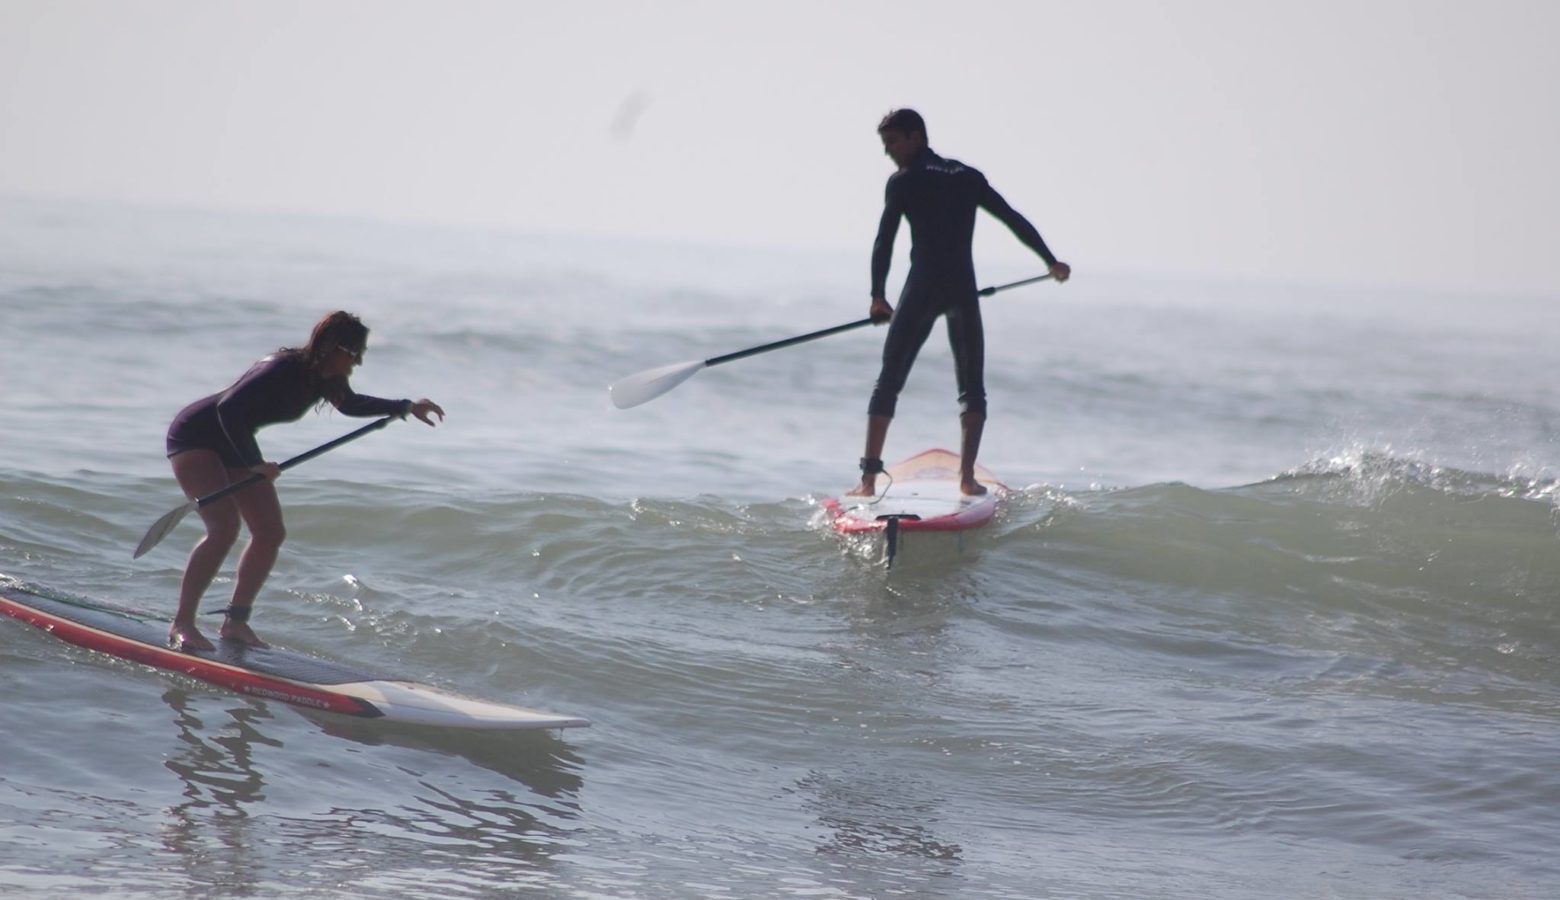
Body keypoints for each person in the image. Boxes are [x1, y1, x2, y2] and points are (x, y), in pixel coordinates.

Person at [163, 311, 445, 652]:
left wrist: (405, 407)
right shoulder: (281, 368)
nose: (356, 362)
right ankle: (182, 623)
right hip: (196, 435)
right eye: (353, 353)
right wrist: (254, 463)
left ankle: (235, 622)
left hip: (234, 440)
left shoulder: (326, 380)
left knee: (269, 532)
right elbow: (229, 408)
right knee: (223, 528)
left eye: (360, 354)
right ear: (331, 347)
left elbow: (351, 404)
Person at [849, 108, 1070, 498]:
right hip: (962, 290)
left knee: (888, 382)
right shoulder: (967, 176)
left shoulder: (904, 181)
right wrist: (1050, 260)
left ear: (916, 136)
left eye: (893, 143)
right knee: (972, 389)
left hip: (922, 289)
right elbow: (1011, 218)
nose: (889, 153)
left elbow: (884, 241)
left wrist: (878, 297)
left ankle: (867, 481)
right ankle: (966, 478)